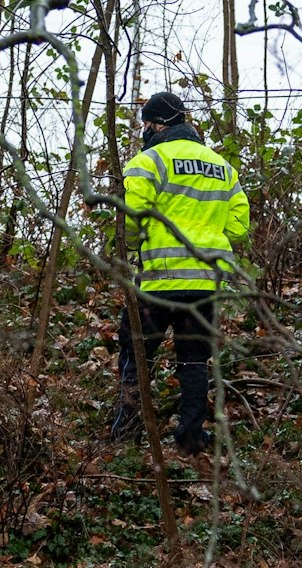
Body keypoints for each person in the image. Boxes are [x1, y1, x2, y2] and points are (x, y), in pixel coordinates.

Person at [108, 90, 249, 454]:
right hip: (205, 284)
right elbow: (239, 226)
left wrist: (138, 242)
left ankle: (127, 433)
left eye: (146, 124)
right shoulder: (222, 166)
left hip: (159, 279)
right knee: (194, 360)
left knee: (137, 353)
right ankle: (191, 437)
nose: (144, 131)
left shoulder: (148, 161)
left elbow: (132, 216)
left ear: (158, 124)